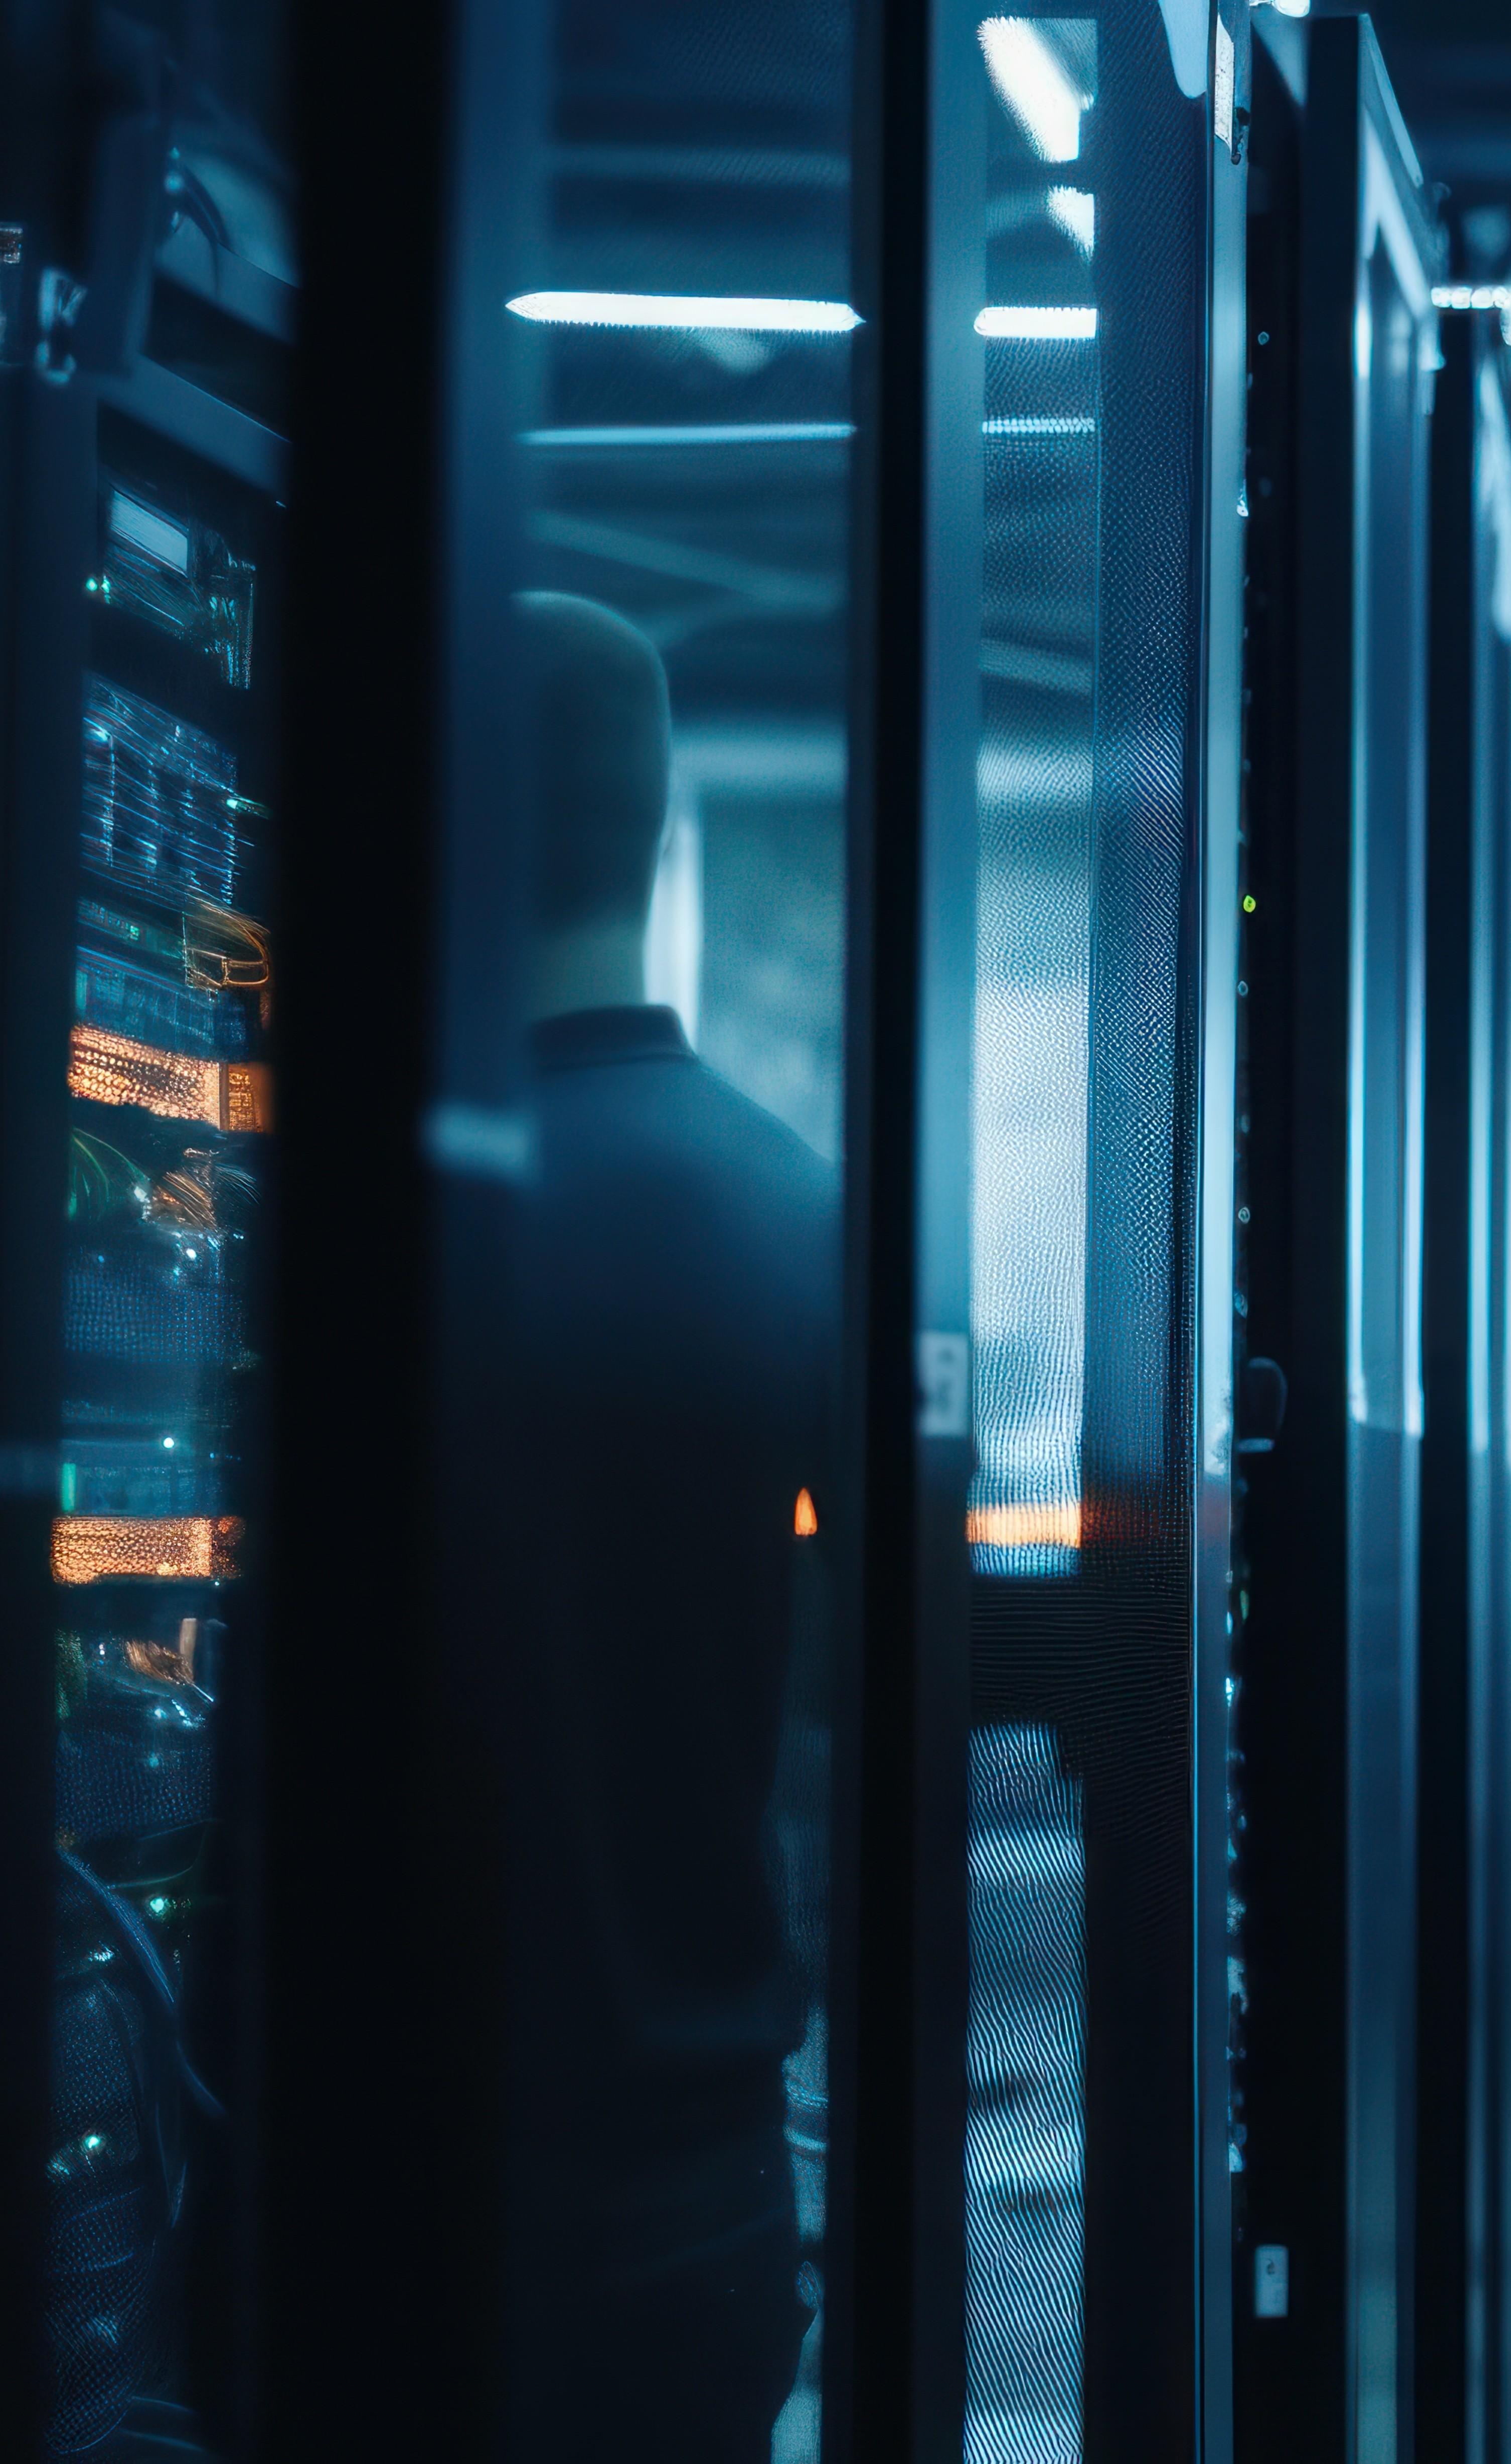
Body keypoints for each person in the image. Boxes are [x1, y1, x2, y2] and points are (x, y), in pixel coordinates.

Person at [500, 592, 832, 2457]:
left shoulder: (357, 1219)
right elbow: (871, 1706)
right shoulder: (804, 1213)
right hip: (697, 2178)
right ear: (656, 833)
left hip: (376, 2156)